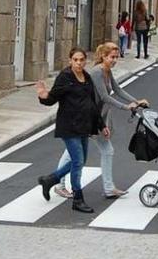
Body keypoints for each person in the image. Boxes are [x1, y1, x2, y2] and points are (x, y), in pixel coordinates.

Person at [50, 42, 149, 200]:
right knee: (81, 153)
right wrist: (126, 107)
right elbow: (104, 97)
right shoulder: (97, 72)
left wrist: (136, 102)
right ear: (103, 56)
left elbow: (117, 89)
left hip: (97, 117)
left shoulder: (107, 71)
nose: (115, 60)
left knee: (74, 152)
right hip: (89, 118)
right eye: (112, 57)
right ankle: (62, 185)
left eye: (116, 57)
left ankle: (63, 184)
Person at [36, 47, 108, 213]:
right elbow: (52, 98)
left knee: (80, 161)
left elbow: (92, 104)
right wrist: (42, 95)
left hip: (84, 126)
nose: (79, 63)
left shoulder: (87, 77)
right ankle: (78, 199)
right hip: (68, 126)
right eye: (75, 60)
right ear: (70, 60)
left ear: (85, 61)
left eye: (81, 60)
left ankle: (49, 180)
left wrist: (101, 125)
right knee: (77, 162)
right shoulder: (65, 77)